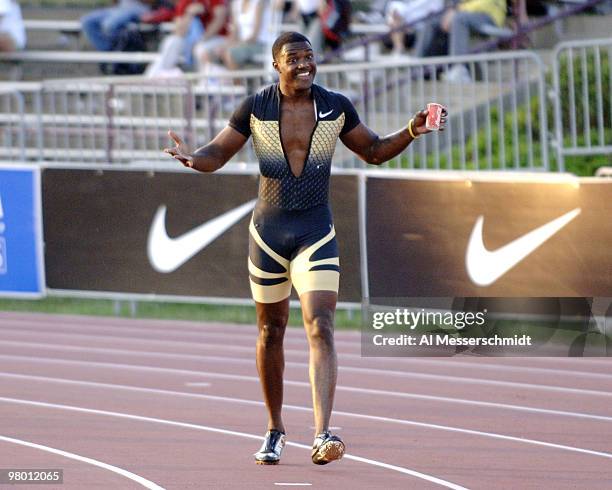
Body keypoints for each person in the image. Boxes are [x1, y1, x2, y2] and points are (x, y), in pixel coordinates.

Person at [164, 31, 446, 465]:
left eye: (309, 57)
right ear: (276, 65)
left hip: (316, 231)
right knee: (270, 331)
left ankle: (322, 433)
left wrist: (413, 129)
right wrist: (191, 159)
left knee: (321, 325)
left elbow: (372, 150)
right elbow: (217, 154)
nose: (303, 65)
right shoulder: (256, 106)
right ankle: (275, 429)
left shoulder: (335, 105)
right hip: (268, 235)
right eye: (293, 58)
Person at [414, 0, 507, 82]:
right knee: (431, 21)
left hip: (490, 16)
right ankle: (416, 65)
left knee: (459, 19)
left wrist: (458, 10)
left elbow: (486, 3)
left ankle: (459, 69)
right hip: (466, 13)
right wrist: (450, 12)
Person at [145, 0, 229, 78]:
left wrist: (202, 38)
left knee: (200, 49)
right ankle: (156, 78)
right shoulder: (185, 2)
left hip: (216, 38)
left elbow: (220, 19)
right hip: (189, 40)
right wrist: (189, 14)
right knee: (172, 42)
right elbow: (179, 31)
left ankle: (203, 86)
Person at [81, 0, 151, 52]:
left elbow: (154, 2)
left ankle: (117, 51)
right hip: (119, 9)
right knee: (87, 21)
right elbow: (115, 2)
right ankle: (107, 51)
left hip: (139, 9)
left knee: (109, 24)